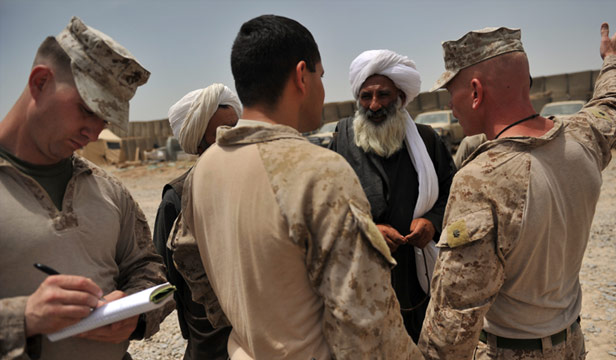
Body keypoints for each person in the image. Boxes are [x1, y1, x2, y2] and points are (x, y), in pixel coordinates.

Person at [170, 15, 423, 359]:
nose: (322, 87)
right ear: (301, 75)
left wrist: (249, 328)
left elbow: (188, 260)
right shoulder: (318, 170)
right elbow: (367, 324)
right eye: (321, 75)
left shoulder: (204, 170)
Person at [419, 24, 616, 359]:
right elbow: (612, 104)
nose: (450, 104)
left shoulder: (481, 180)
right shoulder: (583, 138)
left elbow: (454, 321)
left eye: (451, 92)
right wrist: (614, 60)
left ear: (475, 92)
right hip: (572, 345)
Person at [0, 17, 173, 360]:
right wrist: (23, 318)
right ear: (41, 81)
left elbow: (149, 268)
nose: (93, 134)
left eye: (104, 121)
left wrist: (133, 314)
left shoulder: (108, 189)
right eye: (86, 110)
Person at [328, 49, 456, 342]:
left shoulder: (426, 140)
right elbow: (328, 202)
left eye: (383, 95)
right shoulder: (343, 137)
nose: (374, 105)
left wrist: (432, 222)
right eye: (366, 96)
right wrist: (368, 230)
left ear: (400, 97)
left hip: (415, 268)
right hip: (361, 267)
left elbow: (452, 189)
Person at [152, 83, 241, 360]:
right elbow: (164, 275)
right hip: (209, 337)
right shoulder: (176, 199)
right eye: (221, 132)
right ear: (199, 141)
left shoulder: (255, 184)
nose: (233, 138)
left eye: (235, 128)